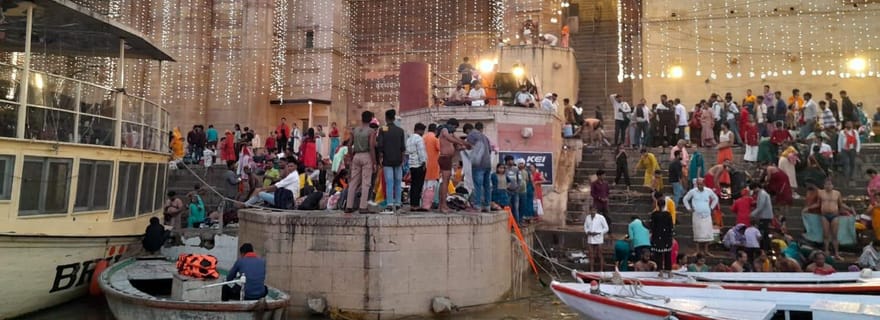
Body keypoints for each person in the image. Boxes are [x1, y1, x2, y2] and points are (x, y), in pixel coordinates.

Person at [344, 112, 377, 214]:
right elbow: (371, 146)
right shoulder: (371, 131)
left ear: (361, 118)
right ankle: (363, 207)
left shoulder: (355, 130)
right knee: (366, 182)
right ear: (371, 119)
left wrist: (350, 156)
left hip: (356, 156)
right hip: (367, 155)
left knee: (353, 182)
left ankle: (349, 206)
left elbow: (349, 145)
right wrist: (374, 162)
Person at [376, 109, 406, 213]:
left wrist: (380, 157)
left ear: (386, 118)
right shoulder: (400, 130)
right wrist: (402, 160)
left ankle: (389, 204)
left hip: (387, 160)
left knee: (389, 182)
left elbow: (380, 145)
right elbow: (403, 148)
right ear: (394, 118)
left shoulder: (383, 129)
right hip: (398, 160)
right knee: (398, 182)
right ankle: (397, 204)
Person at [817, 179, 853, 260]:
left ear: (832, 186)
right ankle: (826, 252)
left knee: (834, 235)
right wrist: (808, 208)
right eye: (826, 184)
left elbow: (841, 204)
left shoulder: (837, 193)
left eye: (829, 184)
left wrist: (850, 209)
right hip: (824, 215)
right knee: (825, 235)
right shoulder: (821, 193)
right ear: (824, 185)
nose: (828, 186)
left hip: (835, 215)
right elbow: (818, 204)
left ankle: (836, 254)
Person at [438, 119, 469, 213]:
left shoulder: (452, 133)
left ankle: (442, 204)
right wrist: (461, 143)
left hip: (448, 159)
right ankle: (443, 206)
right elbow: (449, 138)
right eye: (455, 127)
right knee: (445, 182)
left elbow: (457, 142)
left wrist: (464, 145)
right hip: (444, 158)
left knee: (446, 182)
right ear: (451, 125)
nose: (455, 130)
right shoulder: (444, 130)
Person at [683, 178, 719, 256]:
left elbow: (715, 198)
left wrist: (711, 207)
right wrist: (688, 208)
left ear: (704, 184)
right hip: (697, 215)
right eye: (698, 184)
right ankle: (697, 251)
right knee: (697, 232)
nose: (699, 185)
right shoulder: (692, 191)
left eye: (701, 184)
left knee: (707, 233)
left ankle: (706, 251)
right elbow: (685, 199)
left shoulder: (708, 191)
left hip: (706, 215)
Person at [468, 122, 493, 212]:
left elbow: (468, 146)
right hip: (487, 163)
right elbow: (490, 150)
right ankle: (487, 205)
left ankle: (477, 205)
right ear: (482, 128)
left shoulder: (471, 134)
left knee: (478, 185)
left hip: (478, 164)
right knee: (486, 185)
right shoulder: (485, 137)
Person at [649, 192, 675, 277]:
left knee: (658, 255)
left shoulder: (654, 214)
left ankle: (660, 271)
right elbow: (671, 226)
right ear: (664, 205)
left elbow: (652, 226)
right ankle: (669, 271)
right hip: (666, 236)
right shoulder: (668, 214)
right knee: (667, 254)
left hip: (657, 236)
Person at [406, 123, 428, 211]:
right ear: (419, 130)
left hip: (411, 164)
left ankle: (412, 204)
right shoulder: (419, 139)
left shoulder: (409, 138)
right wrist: (423, 163)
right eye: (422, 131)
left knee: (413, 184)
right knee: (418, 185)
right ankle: (416, 205)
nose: (423, 133)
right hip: (418, 164)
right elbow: (421, 151)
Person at [583, 207, 609, 272]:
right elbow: (585, 226)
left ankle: (601, 270)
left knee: (600, 254)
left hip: (598, 238)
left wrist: (599, 232)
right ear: (590, 211)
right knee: (591, 255)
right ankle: (591, 270)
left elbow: (606, 228)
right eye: (591, 211)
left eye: (594, 210)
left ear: (596, 210)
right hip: (590, 238)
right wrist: (587, 231)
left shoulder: (601, 217)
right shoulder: (587, 217)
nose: (592, 212)